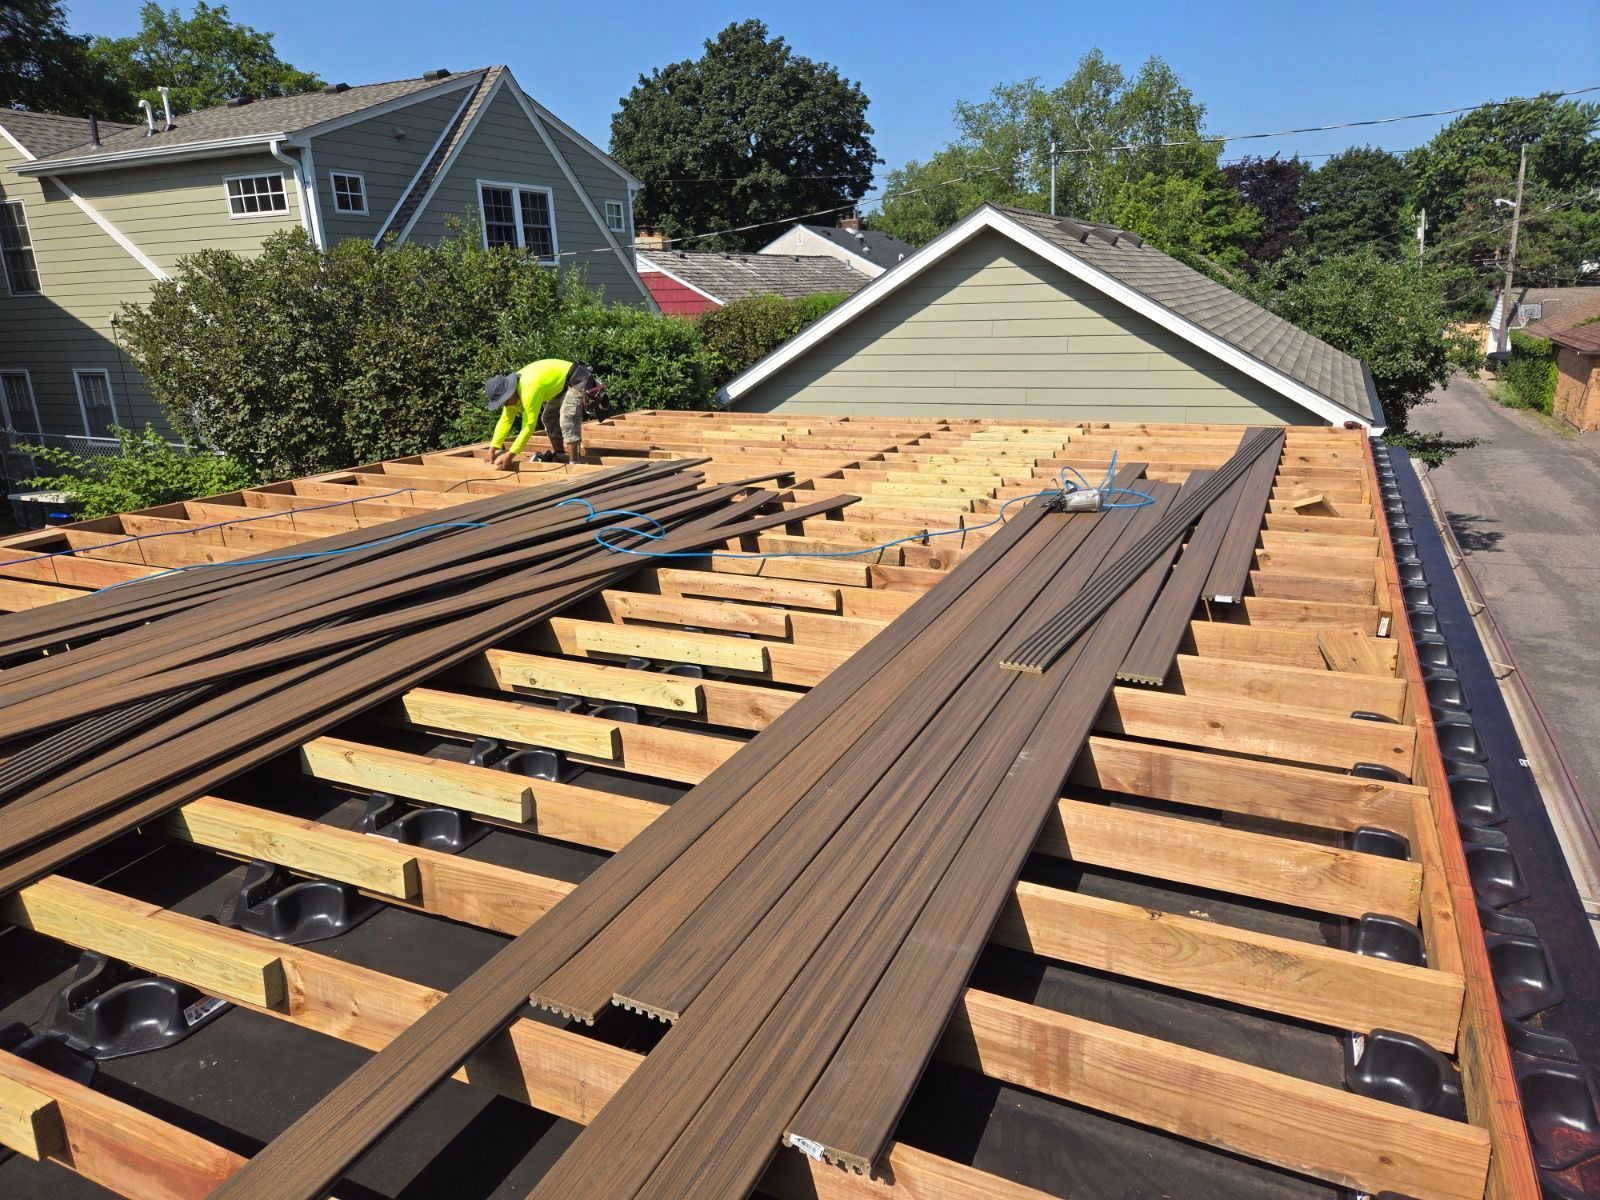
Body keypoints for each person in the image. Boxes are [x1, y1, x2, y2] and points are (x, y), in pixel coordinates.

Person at [481, 359, 606, 469]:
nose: (505, 404)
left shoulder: (529, 389)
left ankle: (575, 462)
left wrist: (511, 454)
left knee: (567, 418)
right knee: (548, 418)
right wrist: (492, 449)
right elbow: (505, 421)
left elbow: (528, 427)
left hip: (577, 380)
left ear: (510, 391)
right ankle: (560, 455)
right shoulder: (513, 395)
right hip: (562, 386)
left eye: (505, 400)